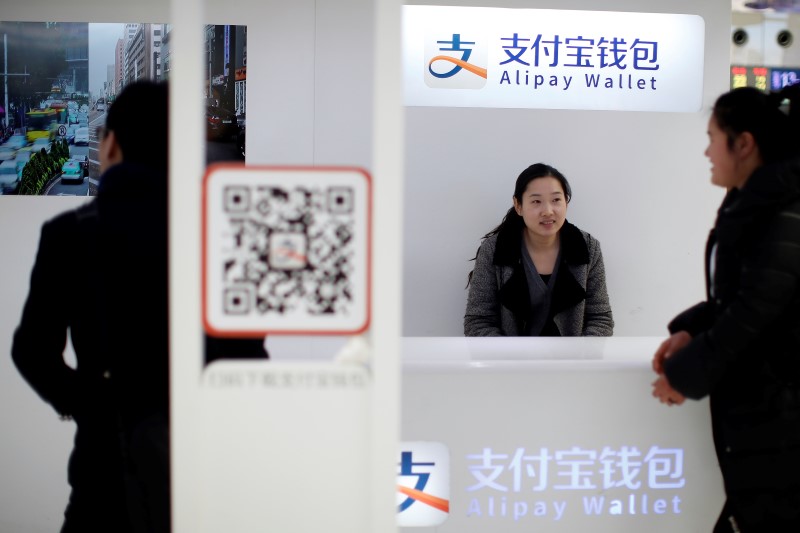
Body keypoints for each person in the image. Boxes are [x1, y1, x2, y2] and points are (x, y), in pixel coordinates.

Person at [652, 86, 800, 531]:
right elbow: (739, 295)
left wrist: (683, 374)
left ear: (744, 143)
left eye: (713, 136)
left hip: (782, 417)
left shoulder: (782, 209)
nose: (706, 151)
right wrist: (691, 330)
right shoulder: (752, 200)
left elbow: (757, 309)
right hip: (764, 416)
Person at [464, 163, 613, 336]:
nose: (548, 211)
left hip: (573, 360)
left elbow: (600, 318)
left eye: (556, 200)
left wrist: (578, 357)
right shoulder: (493, 249)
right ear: (518, 205)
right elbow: (478, 322)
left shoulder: (588, 247)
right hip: (510, 360)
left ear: (566, 202)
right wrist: (511, 358)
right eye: (536, 201)